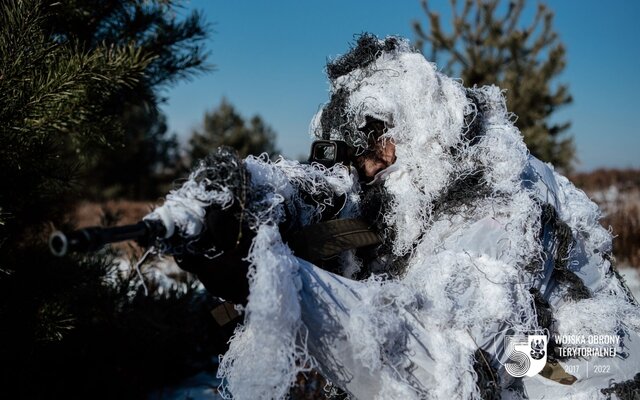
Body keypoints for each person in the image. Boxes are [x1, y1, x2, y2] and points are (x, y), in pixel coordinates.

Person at [147, 34, 640, 399]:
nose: (360, 176)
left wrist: (287, 279)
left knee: (525, 377)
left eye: (365, 155)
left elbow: (456, 360)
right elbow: (343, 212)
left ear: (399, 134)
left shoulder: (494, 198)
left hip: (582, 358)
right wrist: (251, 206)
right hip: (526, 347)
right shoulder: (431, 178)